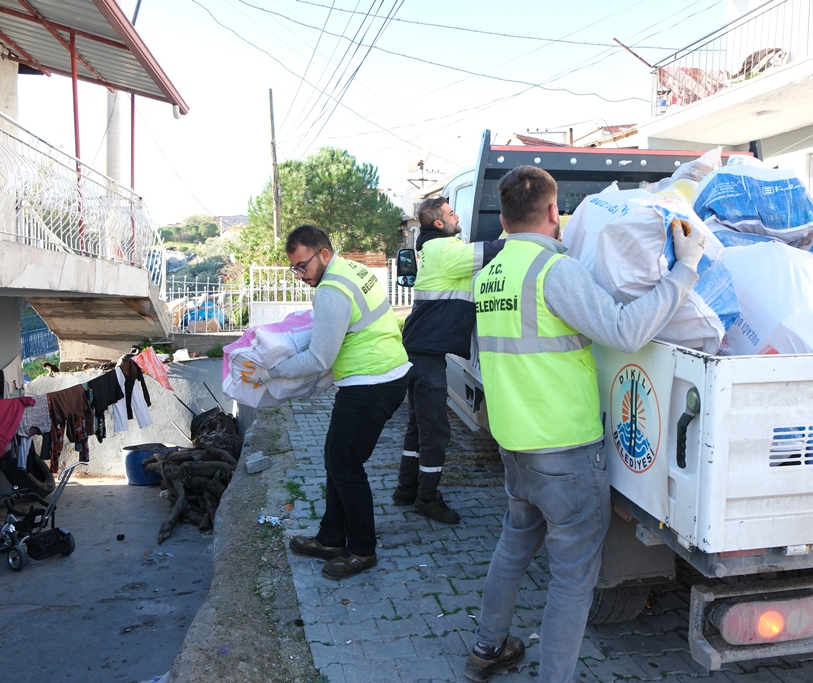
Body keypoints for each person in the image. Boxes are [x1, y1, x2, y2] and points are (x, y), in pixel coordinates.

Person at [464, 166, 706, 682]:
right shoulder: (555, 272)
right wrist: (685, 270)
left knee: (514, 545)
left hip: (515, 447)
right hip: (565, 452)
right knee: (573, 579)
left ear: (503, 219)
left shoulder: (489, 277)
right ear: (555, 212)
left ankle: (487, 646)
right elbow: (625, 330)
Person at [266, 225, 411, 580]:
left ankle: (361, 549)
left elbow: (319, 358)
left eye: (303, 266)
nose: (300, 275)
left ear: (324, 254)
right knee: (337, 459)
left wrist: (271, 372)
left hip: (371, 384)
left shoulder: (332, 290)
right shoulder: (352, 270)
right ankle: (331, 537)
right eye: (294, 268)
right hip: (382, 376)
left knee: (345, 465)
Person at [393, 197, 504, 524]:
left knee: (418, 427)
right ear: (439, 223)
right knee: (437, 432)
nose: (457, 216)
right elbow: (491, 250)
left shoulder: (432, 249)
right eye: (451, 213)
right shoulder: (446, 249)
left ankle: (405, 489)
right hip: (426, 357)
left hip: (419, 351)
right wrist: (523, 235)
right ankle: (426, 498)